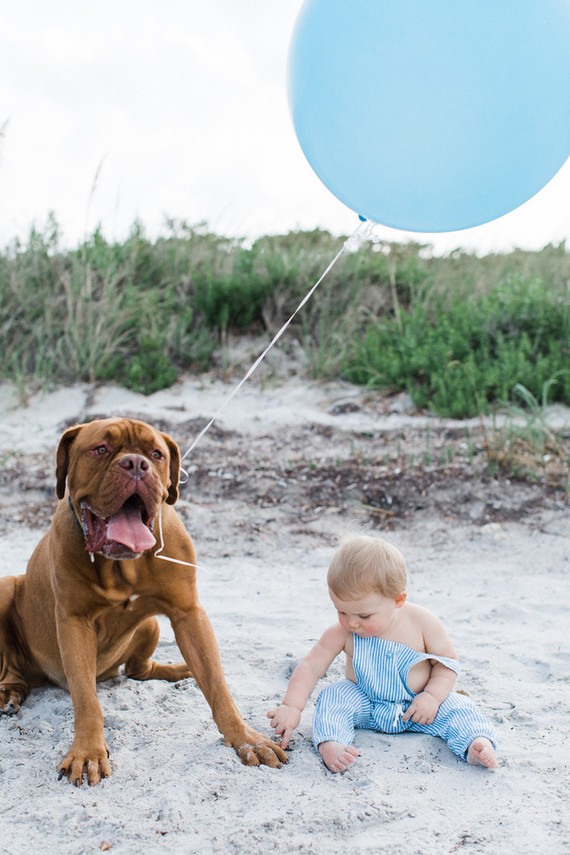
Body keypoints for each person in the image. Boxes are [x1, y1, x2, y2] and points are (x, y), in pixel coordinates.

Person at [267, 535, 497, 772]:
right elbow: (311, 666)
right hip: (366, 702)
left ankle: (475, 745)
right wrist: (292, 707)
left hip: (417, 707)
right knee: (333, 698)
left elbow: (447, 664)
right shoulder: (342, 632)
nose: (351, 623)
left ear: (398, 600)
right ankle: (332, 743)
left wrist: (432, 697)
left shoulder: (422, 622)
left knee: (459, 707)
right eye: (341, 611)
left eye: (363, 616)